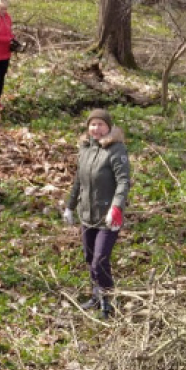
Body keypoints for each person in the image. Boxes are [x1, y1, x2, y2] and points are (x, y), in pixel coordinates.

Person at [63, 109, 132, 317]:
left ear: (109, 127)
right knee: (89, 256)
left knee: (100, 260)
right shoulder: (85, 149)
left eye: (101, 124)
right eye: (93, 124)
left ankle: (107, 301)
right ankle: (96, 295)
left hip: (108, 217)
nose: (96, 129)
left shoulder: (116, 150)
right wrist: (69, 206)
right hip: (87, 215)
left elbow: (123, 182)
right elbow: (78, 182)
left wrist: (116, 207)